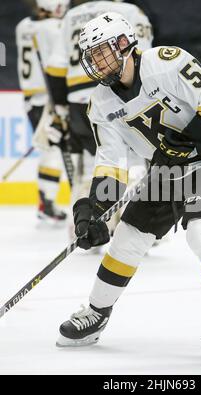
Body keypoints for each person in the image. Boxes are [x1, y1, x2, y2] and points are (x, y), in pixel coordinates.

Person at [57, 12, 201, 366]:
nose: (94, 61)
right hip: (170, 169)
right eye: (90, 55)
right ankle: (96, 312)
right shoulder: (100, 104)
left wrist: (181, 142)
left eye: (100, 51)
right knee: (129, 236)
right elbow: (112, 164)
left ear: (124, 44)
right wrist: (91, 210)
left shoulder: (170, 63)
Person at [45, 1, 153, 239]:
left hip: (77, 102)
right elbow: (142, 57)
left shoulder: (71, 15)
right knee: (133, 164)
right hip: (119, 95)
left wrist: (60, 110)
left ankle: (81, 228)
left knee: (88, 166)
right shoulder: (130, 12)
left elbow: (55, 67)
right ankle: (133, 228)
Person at [16, 0, 70, 225]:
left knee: (51, 149)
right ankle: (46, 202)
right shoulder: (53, 28)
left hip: (30, 98)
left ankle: (46, 202)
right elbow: (56, 65)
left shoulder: (23, 25)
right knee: (56, 151)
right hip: (47, 99)